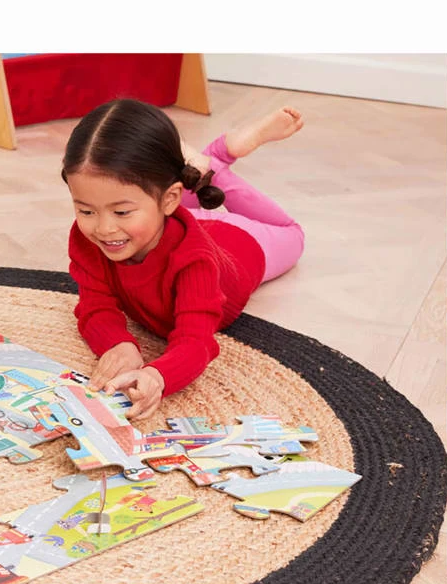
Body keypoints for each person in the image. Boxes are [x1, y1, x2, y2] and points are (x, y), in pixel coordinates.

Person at [65, 96, 305, 421]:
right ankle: (199, 168)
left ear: (170, 200)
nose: (104, 228)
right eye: (86, 210)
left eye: (120, 211)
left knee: (292, 232)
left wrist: (157, 376)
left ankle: (218, 161)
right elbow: (95, 307)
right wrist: (119, 344)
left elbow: (195, 341)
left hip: (243, 242)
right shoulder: (90, 238)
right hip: (169, 222)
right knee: (152, 206)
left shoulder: (195, 262)